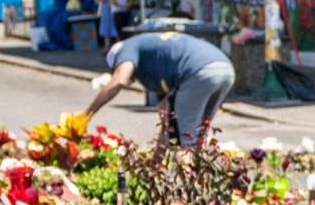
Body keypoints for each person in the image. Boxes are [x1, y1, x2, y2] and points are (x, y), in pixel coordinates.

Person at [83, 31, 235, 145]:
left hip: (197, 72)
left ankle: (190, 182)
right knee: (200, 134)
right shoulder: (154, 60)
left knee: (185, 141)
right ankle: (203, 180)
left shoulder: (127, 48)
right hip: (225, 68)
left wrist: (86, 115)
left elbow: (119, 80)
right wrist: (156, 160)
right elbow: (166, 115)